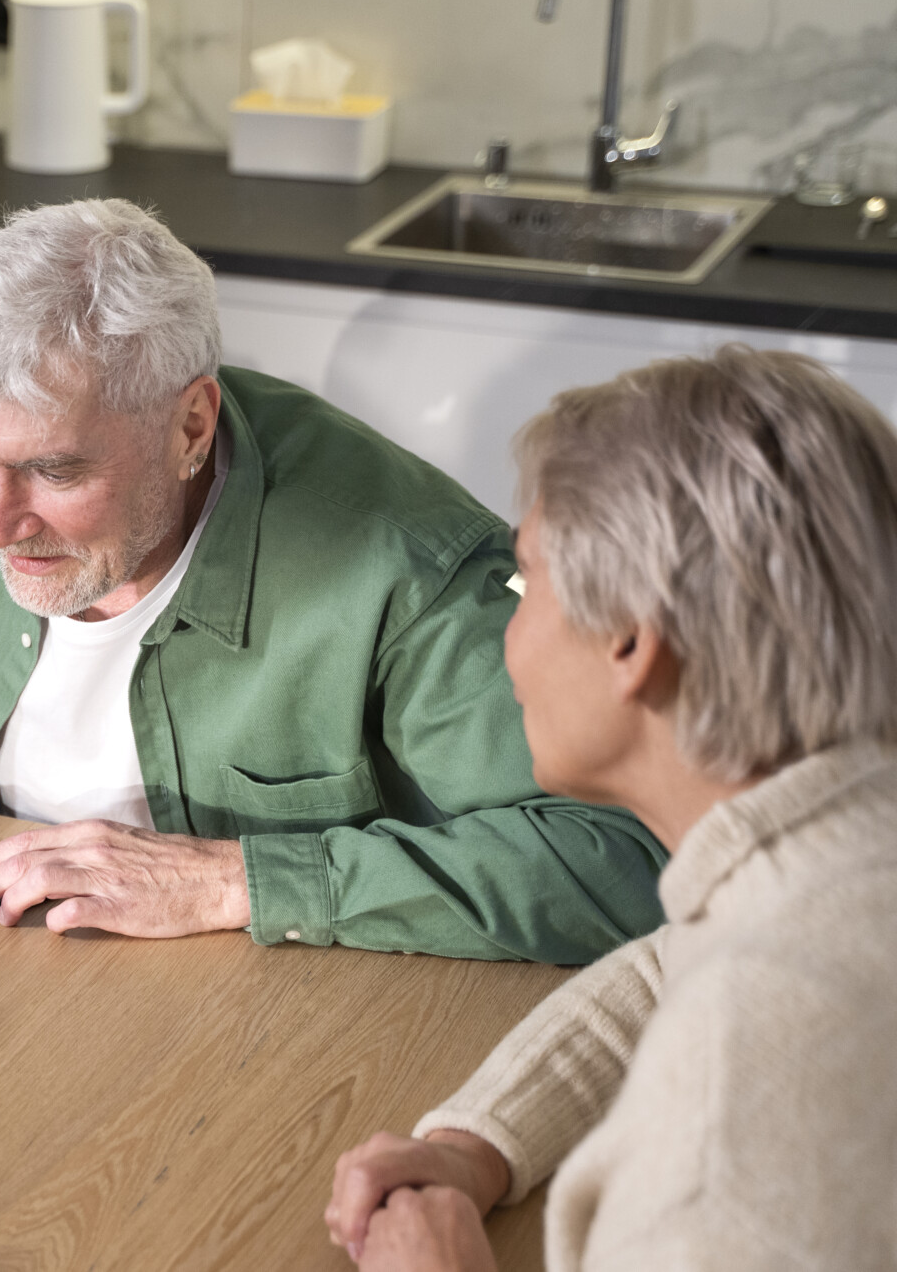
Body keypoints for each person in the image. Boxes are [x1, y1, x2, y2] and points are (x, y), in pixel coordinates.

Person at [0, 198, 663, 963]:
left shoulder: (401, 568)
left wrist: (233, 882)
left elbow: (623, 860)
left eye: (55, 472)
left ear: (191, 425)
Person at [324, 345, 897, 1270]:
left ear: (632, 640)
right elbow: (669, 968)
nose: (508, 636)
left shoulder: (724, 1133)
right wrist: (475, 1143)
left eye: (524, 582)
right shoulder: (839, 852)